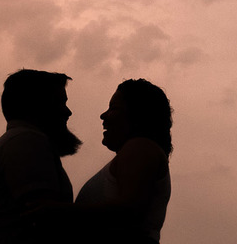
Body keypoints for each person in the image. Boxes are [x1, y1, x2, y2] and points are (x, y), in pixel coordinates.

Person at [0, 69, 82, 244]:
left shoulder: (21, 141)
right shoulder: (26, 140)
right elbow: (47, 219)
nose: (67, 112)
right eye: (60, 102)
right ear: (37, 105)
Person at [74, 79, 173, 244]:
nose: (103, 115)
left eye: (113, 108)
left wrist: (56, 211)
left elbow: (129, 212)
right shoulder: (140, 150)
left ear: (137, 116)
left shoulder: (141, 147)